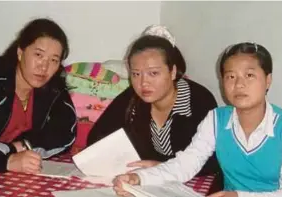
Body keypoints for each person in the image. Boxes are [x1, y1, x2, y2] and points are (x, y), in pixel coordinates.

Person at [113, 42, 282, 197]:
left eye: (249, 75)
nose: (239, 84)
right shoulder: (217, 119)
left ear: (268, 80)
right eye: (230, 76)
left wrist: (238, 196)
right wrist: (139, 178)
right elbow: (187, 163)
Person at [87, 25, 221, 180]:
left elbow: (213, 160)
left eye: (153, 73)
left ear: (172, 71)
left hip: (191, 183)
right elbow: (97, 138)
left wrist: (163, 168)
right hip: (144, 181)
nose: (143, 83)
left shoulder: (198, 100)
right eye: (136, 74)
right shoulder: (133, 97)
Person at [0, 18, 77, 174]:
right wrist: (4, 160)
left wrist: (22, 146)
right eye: (38, 55)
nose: (44, 67)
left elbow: (66, 135)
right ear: (20, 52)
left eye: (53, 60)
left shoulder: (54, 90)